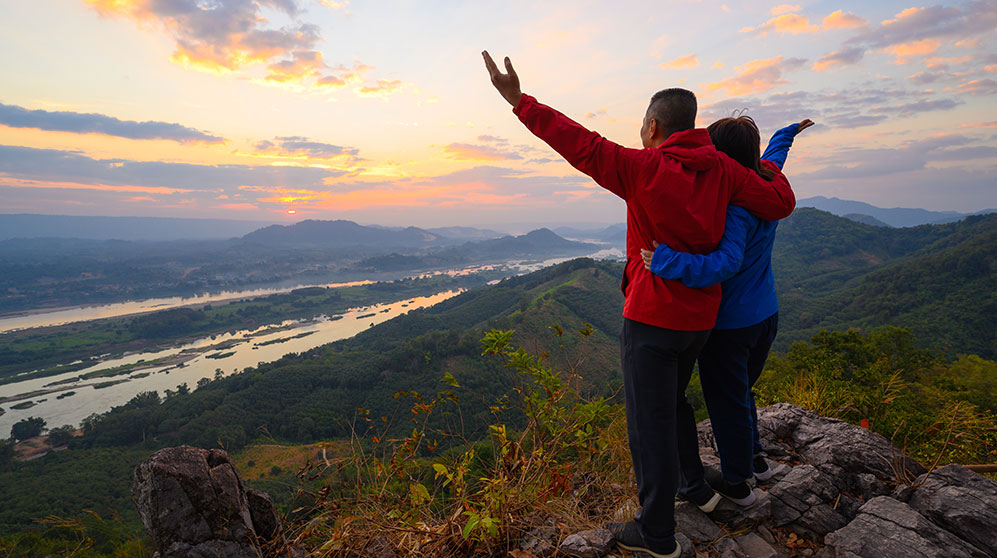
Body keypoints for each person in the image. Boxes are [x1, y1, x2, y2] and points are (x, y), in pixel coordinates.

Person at [482, 51, 796, 558]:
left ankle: (657, 535)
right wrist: (770, 158)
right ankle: (694, 487)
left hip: (652, 320)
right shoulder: (728, 171)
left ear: (653, 125)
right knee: (673, 405)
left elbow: (579, 143)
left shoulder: (639, 167)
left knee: (648, 425)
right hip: (700, 323)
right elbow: (778, 202)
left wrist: (519, 101)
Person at [640, 116, 813, 506]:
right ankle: (756, 460)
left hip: (731, 324)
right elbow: (774, 158)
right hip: (765, 314)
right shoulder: (766, 183)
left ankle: (738, 483)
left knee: (727, 403)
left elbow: (726, 263)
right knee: (741, 393)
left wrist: (666, 261)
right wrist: (786, 133)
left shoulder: (737, 206)